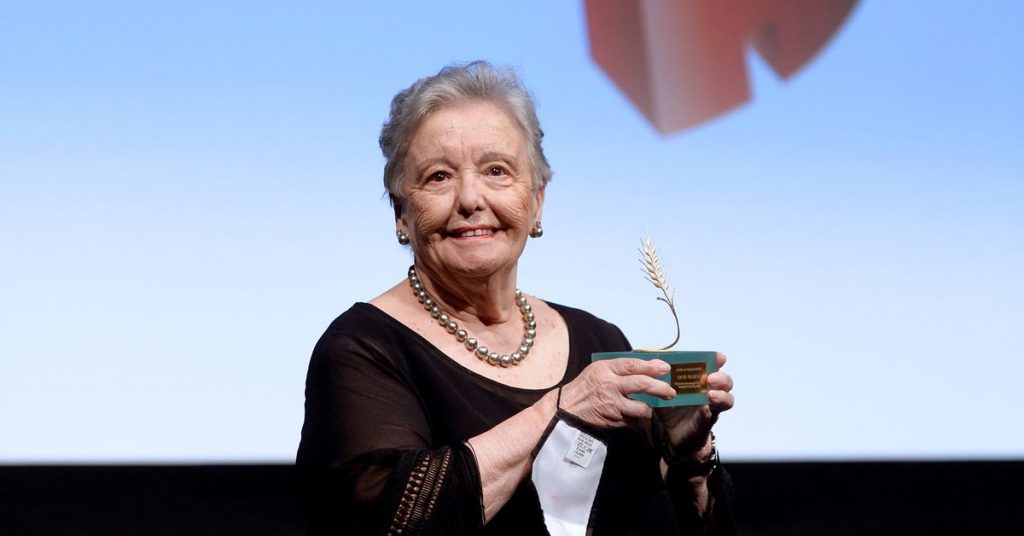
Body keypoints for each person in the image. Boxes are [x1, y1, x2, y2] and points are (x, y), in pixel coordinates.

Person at [296, 61, 736, 535]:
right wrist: (562, 409)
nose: (470, 198)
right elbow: (385, 524)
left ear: (537, 202)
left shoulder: (597, 338)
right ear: (402, 213)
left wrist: (688, 461)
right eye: (439, 177)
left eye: (497, 171)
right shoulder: (362, 349)